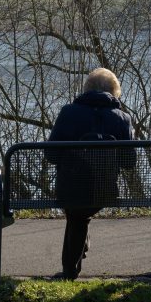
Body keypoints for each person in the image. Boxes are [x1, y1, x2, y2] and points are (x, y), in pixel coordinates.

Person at [44, 68, 136, 279]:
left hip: (70, 189)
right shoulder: (123, 118)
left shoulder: (68, 113)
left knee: (77, 208)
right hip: (105, 191)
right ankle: (72, 265)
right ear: (115, 91)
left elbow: (51, 155)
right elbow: (129, 162)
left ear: (86, 89)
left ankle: (69, 271)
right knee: (81, 209)